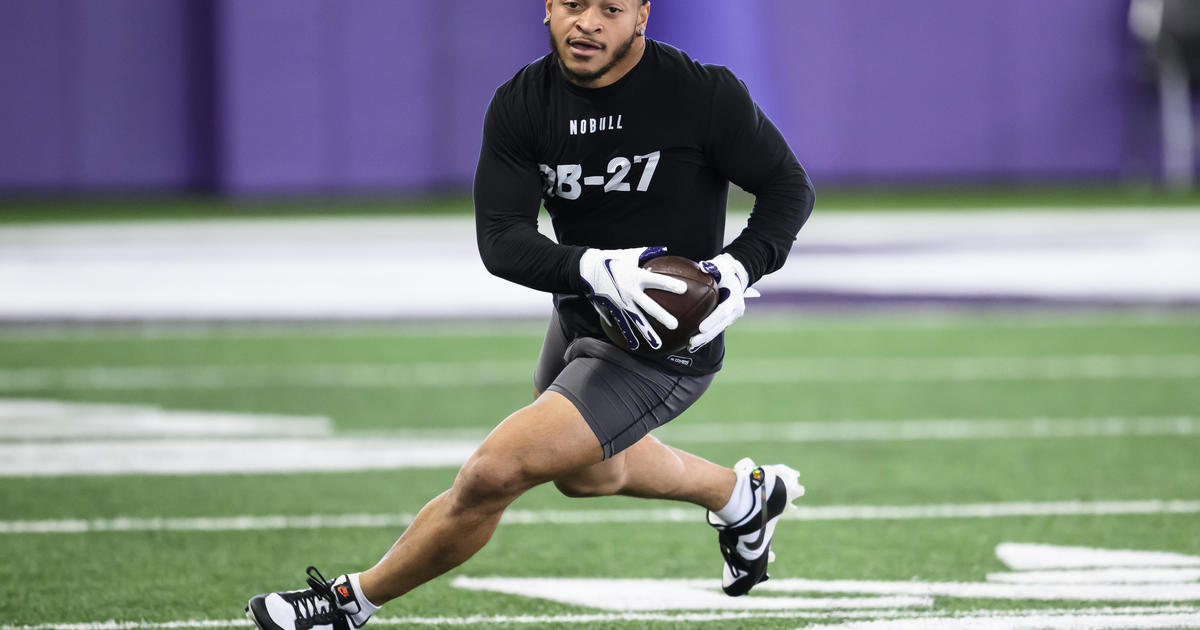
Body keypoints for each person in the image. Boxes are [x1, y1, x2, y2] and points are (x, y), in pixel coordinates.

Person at [245, 1, 814, 628]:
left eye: (610, 8)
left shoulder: (700, 93)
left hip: (666, 343)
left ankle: (348, 604)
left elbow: (789, 188)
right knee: (589, 477)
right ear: (548, 8)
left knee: (495, 472)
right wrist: (596, 270)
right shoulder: (523, 103)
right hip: (584, 311)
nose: (588, 22)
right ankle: (741, 497)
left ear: (642, 16)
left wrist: (734, 269)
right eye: (572, 4)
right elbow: (501, 238)